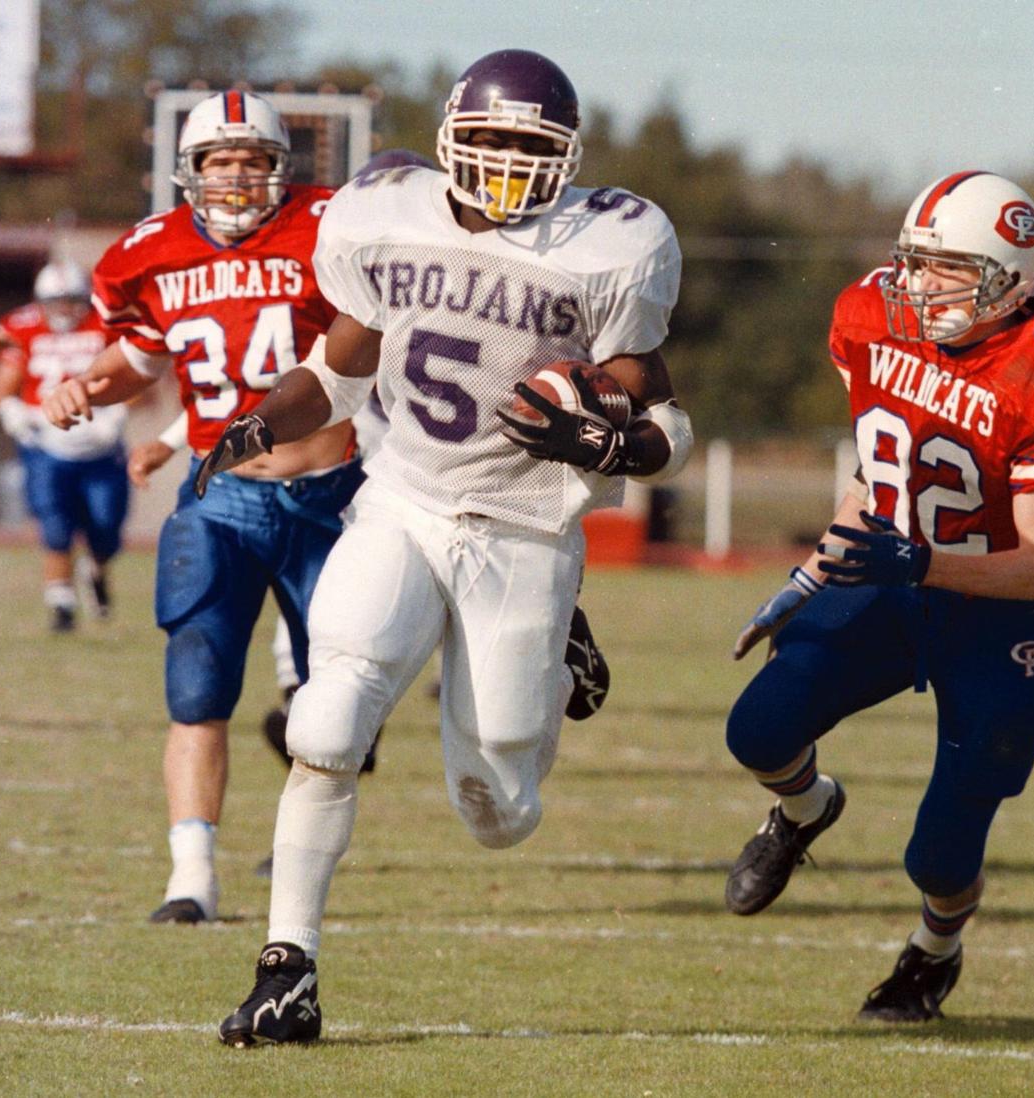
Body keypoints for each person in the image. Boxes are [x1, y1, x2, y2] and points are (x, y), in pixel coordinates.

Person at [202, 49, 690, 1047]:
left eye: (529, 146)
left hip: (525, 529)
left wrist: (611, 442)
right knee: (329, 719)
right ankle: (286, 969)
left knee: (498, 807)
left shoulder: (608, 243)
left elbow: (668, 426)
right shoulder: (386, 215)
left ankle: (556, 668)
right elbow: (335, 370)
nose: (508, 162)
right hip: (408, 501)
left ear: (567, 156)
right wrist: (265, 420)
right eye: (494, 140)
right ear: (449, 141)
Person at [724, 172, 1034, 1023]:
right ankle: (807, 809)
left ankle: (932, 953)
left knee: (943, 852)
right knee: (757, 727)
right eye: (915, 262)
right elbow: (880, 469)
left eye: (950, 269)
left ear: (1012, 276)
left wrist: (915, 563)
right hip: (892, 568)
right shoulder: (873, 313)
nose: (921, 286)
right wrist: (815, 570)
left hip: (995, 611)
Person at [41, 90, 366, 925]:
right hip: (221, 500)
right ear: (191, 171)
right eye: (218, 162)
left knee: (335, 703)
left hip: (330, 497)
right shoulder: (150, 253)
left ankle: (297, 865)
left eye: (251, 161)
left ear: (278, 168)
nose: (234, 178)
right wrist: (86, 383)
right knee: (196, 686)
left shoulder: (332, 228)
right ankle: (191, 878)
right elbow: (141, 357)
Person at [0, 261, 129, 631]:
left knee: (106, 527)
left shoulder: (105, 325)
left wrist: (117, 415)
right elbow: (0, 389)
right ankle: (61, 601)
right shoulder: (24, 327)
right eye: (56, 301)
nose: (64, 310)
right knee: (55, 524)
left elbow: (139, 378)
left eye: (71, 301)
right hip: (47, 445)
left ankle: (94, 570)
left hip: (98, 444)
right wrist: (12, 412)